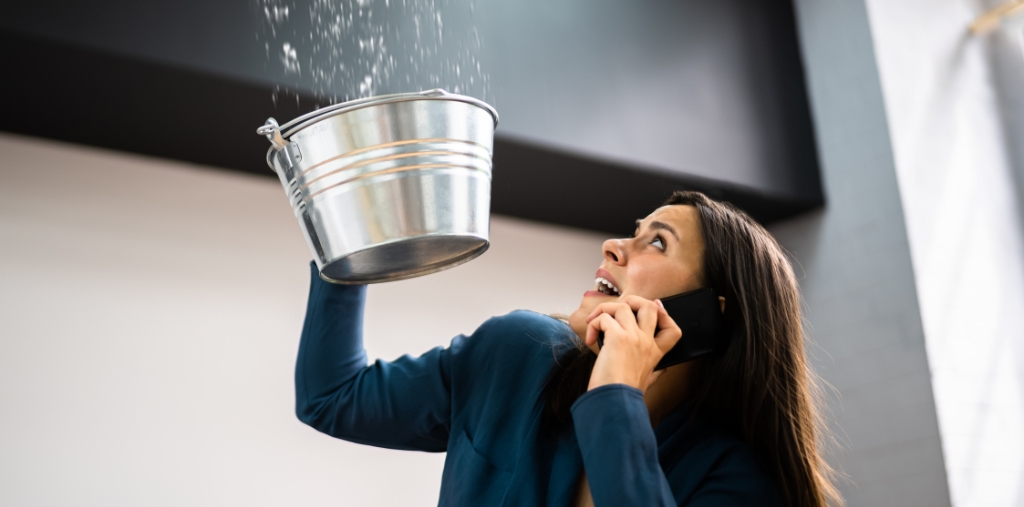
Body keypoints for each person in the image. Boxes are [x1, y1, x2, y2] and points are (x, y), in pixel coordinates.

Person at [294, 191, 843, 506]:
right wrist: (343, 244)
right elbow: (332, 397)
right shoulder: (515, 353)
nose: (613, 246)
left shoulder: (737, 483)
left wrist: (615, 395)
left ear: (707, 314)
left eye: (656, 242)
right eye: (633, 230)